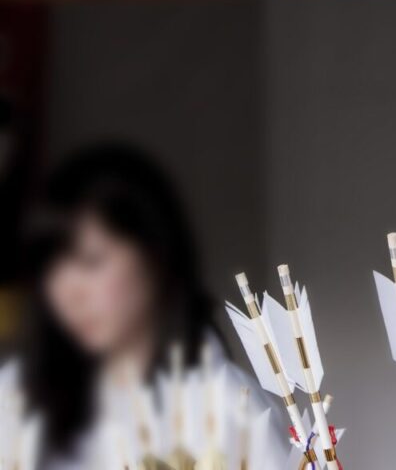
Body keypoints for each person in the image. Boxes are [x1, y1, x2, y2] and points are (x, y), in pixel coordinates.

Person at [19, 144, 287, 469]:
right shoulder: (19, 397)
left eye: (92, 260)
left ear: (156, 256)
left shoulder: (234, 409)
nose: (67, 293)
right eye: (50, 270)